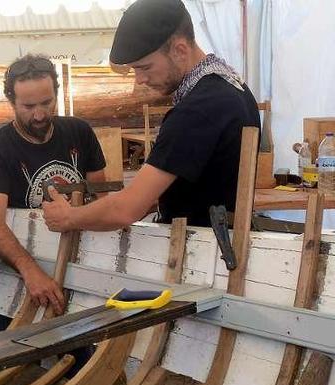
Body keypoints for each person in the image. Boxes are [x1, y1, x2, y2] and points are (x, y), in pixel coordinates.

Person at [42, 0, 260, 232]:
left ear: (180, 50)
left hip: (201, 254)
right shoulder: (234, 87)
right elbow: (203, 185)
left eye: (145, 67)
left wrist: (70, 217)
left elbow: (125, 210)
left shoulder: (197, 110)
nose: (139, 80)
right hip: (222, 242)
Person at [0, 54, 107, 331]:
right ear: (11, 102)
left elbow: (102, 198)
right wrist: (31, 271)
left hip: (77, 264)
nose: (39, 115)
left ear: (57, 95)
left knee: (79, 354)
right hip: (20, 273)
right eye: (28, 106)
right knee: (15, 358)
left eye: (46, 103)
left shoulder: (80, 132)